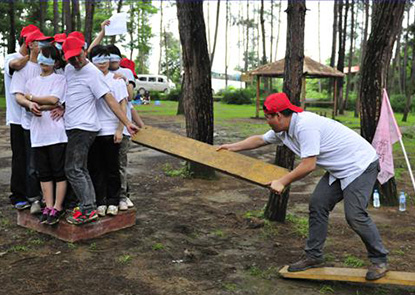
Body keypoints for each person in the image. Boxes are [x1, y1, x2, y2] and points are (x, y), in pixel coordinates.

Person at [217, 93, 389, 281]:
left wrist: (282, 181)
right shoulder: (282, 130)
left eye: (268, 117)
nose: (267, 121)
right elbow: (260, 139)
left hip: (360, 164)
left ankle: (379, 260)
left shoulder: (305, 127)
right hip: (339, 167)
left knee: (354, 215)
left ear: (279, 116)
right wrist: (232, 147)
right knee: (318, 203)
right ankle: (314, 256)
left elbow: (308, 165)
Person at [61, 34, 139, 225]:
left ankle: (88, 208)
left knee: (73, 168)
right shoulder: (69, 69)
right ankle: (90, 205)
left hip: (84, 127)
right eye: (71, 57)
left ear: (84, 51)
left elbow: (110, 99)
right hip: (71, 125)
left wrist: (126, 123)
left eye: (78, 56)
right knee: (81, 168)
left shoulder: (92, 73)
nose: (76, 60)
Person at [17, 45, 68, 225]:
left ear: (55, 62)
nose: (43, 64)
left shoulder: (59, 79)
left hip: (56, 134)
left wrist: (31, 99)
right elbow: (22, 99)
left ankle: (58, 206)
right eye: (41, 59)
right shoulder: (31, 82)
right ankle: (48, 205)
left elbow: (54, 100)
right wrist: (32, 103)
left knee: (59, 172)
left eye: (48, 60)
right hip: (37, 135)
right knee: (44, 173)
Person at [10, 30, 53, 213]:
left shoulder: (51, 65)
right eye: (39, 42)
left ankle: (47, 199)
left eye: (45, 42)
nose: (43, 45)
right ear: (31, 45)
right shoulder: (23, 68)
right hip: (29, 124)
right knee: (31, 164)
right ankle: (33, 197)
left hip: (51, 124)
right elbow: (18, 95)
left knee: (49, 162)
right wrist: (29, 103)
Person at [88, 45, 128, 216]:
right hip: (93, 131)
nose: (102, 63)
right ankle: (100, 201)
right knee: (97, 169)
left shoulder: (116, 80)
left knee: (112, 168)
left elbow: (123, 105)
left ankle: (113, 200)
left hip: (111, 130)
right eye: (98, 59)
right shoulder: (89, 79)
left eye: (105, 59)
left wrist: (120, 129)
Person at [4, 24, 39, 210]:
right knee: (20, 157)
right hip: (17, 119)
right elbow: (16, 65)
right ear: (28, 43)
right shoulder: (12, 57)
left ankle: (33, 193)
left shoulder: (38, 62)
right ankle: (18, 195)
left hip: (34, 119)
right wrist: (31, 53)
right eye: (36, 42)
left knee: (34, 159)